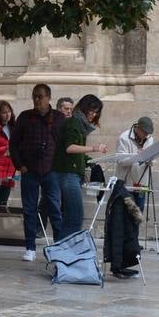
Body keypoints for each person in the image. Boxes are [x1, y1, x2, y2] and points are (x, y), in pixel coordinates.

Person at [9, 84, 64, 261]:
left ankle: (58, 246)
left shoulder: (59, 118)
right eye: (34, 96)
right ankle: (30, 247)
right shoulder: (25, 117)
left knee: (55, 209)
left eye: (40, 96)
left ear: (49, 98)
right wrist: (20, 165)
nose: (37, 100)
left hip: (51, 171)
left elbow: (63, 145)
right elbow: (14, 144)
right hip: (29, 170)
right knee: (29, 210)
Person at [51, 94, 107, 241]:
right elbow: (69, 148)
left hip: (72, 174)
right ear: (85, 108)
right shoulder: (73, 123)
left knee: (71, 217)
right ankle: (63, 252)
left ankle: (62, 250)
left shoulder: (77, 124)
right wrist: (94, 148)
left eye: (96, 113)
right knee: (75, 216)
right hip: (68, 175)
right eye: (92, 111)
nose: (94, 115)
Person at [115, 117, 154, 208]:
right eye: (144, 132)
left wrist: (149, 158)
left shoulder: (150, 139)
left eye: (148, 133)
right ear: (138, 128)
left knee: (138, 214)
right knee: (126, 214)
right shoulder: (124, 138)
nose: (146, 135)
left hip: (141, 184)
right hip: (126, 184)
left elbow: (152, 160)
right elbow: (120, 160)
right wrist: (137, 157)